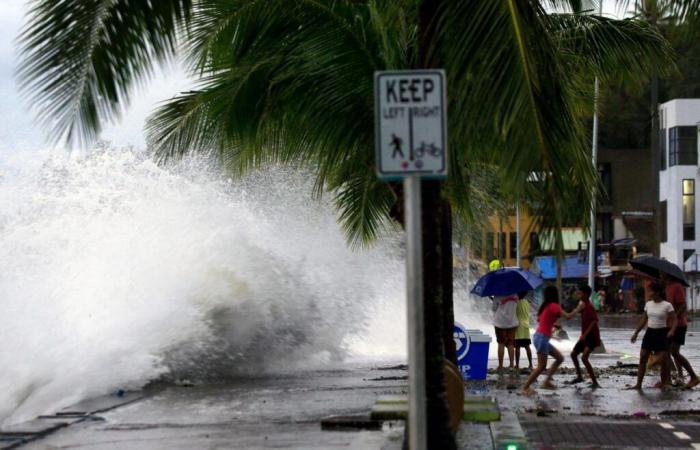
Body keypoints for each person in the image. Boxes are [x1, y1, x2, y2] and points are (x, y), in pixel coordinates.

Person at [522, 285, 576, 395]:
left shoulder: (545, 306)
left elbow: (540, 320)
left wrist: (553, 325)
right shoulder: (554, 306)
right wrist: (578, 308)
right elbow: (568, 316)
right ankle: (525, 387)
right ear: (555, 294)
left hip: (540, 337)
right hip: (541, 338)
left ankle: (546, 382)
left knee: (559, 358)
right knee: (541, 366)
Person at [627, 282, 677, 390]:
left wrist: (672, 330)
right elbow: (644, 319)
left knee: (662, 359)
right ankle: (638, 384)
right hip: (650, 333)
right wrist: (636, 333)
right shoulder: (648, 304)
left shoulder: (667, 305)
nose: (649, 293)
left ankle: (665, 382)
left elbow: (675, 319)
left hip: (662, 333)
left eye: (651, 291)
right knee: (643, 357)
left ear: (657, 292)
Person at [661, 273, 700, 388]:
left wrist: (674, 316)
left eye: (661, 274)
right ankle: (667, 380)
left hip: (679, 325)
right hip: (667, 324)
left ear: (667, 275)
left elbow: (683, 305)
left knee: (674, 352)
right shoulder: (665, 287)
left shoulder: (676, 286)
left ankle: (693, 376)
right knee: (665, 353)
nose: (660, 276)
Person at [567, 284, 601, 388]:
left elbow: (594, 321)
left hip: (591, 336)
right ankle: (580, 376)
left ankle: (595, 382)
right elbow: (574, 312)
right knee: (573, 354)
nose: (578, 295)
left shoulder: (590, 306)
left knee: (584, 358)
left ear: (586, 294)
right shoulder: (583, 305)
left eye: (580, 293)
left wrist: (585, 334)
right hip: (584, 336)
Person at [492, 293, 519, 371]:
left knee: (501, 343)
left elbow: (494, 308)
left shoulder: (498, 295)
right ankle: (511, 365)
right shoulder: (515, 295)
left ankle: (500, 366)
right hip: (512, 322)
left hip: (500, 323)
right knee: (511, 343)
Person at [514, 291, 533, 372]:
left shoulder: (516, 303)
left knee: (517, 346)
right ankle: (531, 364)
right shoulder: (527, 302)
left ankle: (517, 365)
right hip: (526, 326)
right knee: (527, 346)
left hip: (518, 326)